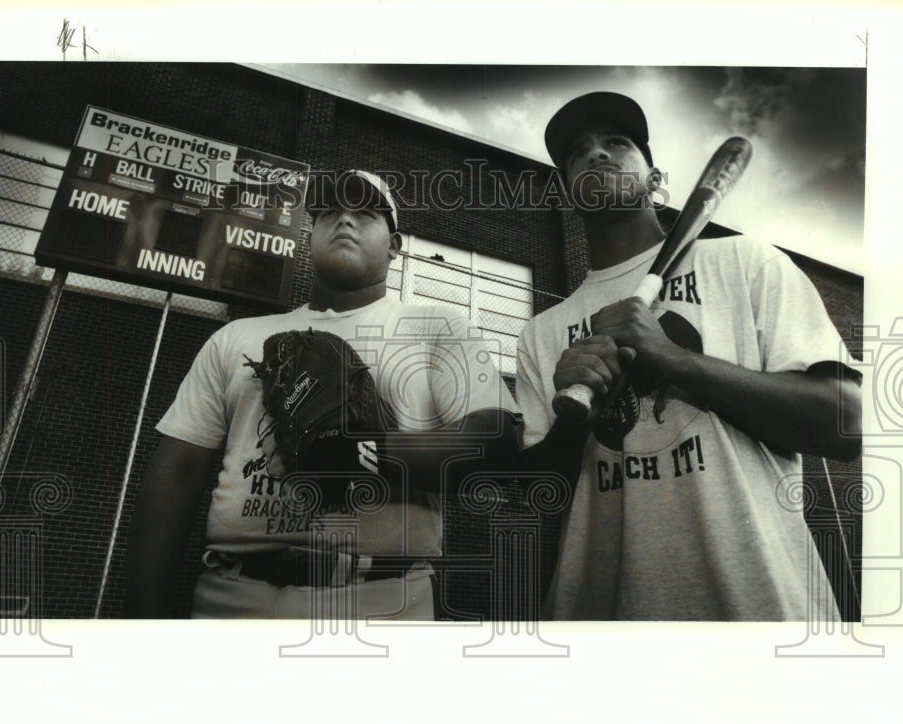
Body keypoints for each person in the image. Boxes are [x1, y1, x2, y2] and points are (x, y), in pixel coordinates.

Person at [516, 92, 862, 620]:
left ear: (656, 180)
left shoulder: (744, 261)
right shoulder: (541, 333)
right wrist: (572, 422)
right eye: (577, 153)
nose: (597, 155)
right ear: (567, 190)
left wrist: (675, 361)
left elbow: (844, 422)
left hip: (761, 613)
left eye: (617, 142)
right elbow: (543, 494)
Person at [125, 170, 519, 619]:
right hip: (233, 595)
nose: (344, 221)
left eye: (365, 213)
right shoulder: (236, 336)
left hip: (381, 599)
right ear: (310, 238)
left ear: (394, 245)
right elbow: (175, 476)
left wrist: (364, 453)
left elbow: (498, 445)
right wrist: (141, 626)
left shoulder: (438, 327)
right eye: (330, 212)